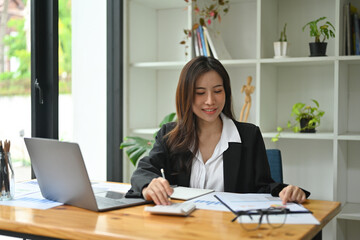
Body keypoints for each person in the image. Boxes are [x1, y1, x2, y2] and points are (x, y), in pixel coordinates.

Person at [127, 56, 310, 205]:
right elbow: (143, 171)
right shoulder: (170, 135)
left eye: (217, 91)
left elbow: (263, 187)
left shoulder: (249, 136)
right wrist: (149, 186)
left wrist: (286, 191)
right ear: (186, 96)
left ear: (226, 92)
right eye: (200, 93)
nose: (210, 101)